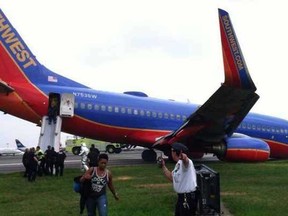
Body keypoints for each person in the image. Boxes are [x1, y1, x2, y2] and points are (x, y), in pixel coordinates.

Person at [161, 142, 198, 216]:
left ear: (176, 152)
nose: (171, 153)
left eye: (172, 151)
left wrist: (184, 158)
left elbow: (186, 162)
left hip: (187, 198)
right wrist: (163, 166)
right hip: (181, 197)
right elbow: (172, 178)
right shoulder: (178, 164)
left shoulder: (186, 163)